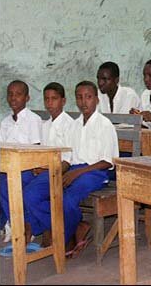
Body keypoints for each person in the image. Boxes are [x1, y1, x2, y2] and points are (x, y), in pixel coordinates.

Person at [23, 81, 119, 258]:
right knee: (34, 193)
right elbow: (68, 157)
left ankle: (64, 239)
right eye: (80, 97)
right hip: (74, 169)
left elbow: (107, 161)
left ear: (96, 100)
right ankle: (74, 227)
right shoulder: (75, 125)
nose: (84, 102)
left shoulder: (105, 125)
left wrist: (76, 173)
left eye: (88, 97)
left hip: (95, 172)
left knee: (67, 199)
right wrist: (58, 172)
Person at [22, 82, 74, 247]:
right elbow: (41, 153)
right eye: (47, 99)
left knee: (30, 194)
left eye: (54, 99)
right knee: (20, 183)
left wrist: (48, 169)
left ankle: (54, 227)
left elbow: (68, 158)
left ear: (63, 101)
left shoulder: (70, 125)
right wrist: (38, 167)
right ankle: (46, 226)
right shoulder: (45, 125)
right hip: (44, 170)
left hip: (61, 170)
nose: (50, 103)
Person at [0, 80, 42, 241]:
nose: (13, 98)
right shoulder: (5, 122)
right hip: (8, 168)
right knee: (4, 181)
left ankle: (22, 226)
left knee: (6, 184)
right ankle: (11, 222)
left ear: (27, 98)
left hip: (29, 169)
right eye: (10, 94)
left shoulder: (33, 120)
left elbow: (36, 151)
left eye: (18, 94)